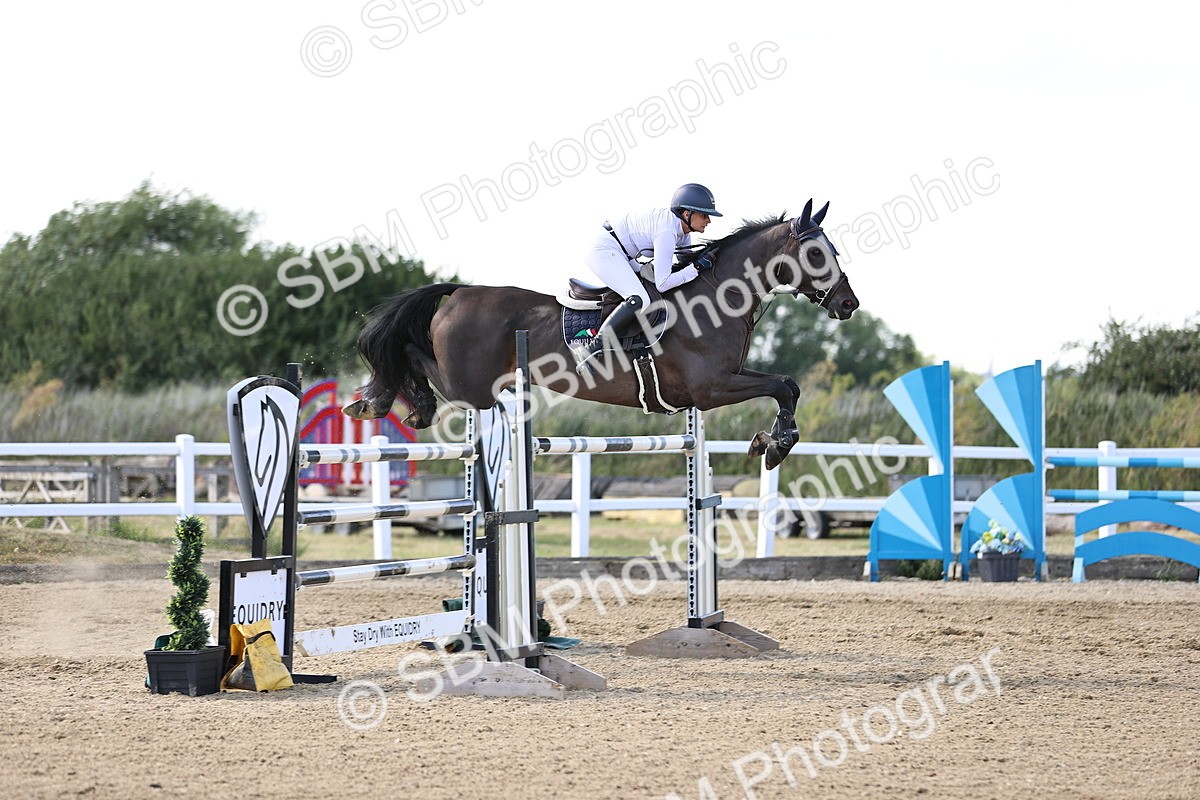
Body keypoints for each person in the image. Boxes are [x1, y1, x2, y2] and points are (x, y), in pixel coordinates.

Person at [579, 183, 722, 368]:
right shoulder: (667, 232)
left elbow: (682, 265)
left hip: (622, 253)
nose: (708, 220)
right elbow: (664, 283)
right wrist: (695, 268)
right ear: (687, 214)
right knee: (639, 299)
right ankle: (591, 349)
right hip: (604, 249)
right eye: (704, 215)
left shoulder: (682, 233)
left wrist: (699, 264)